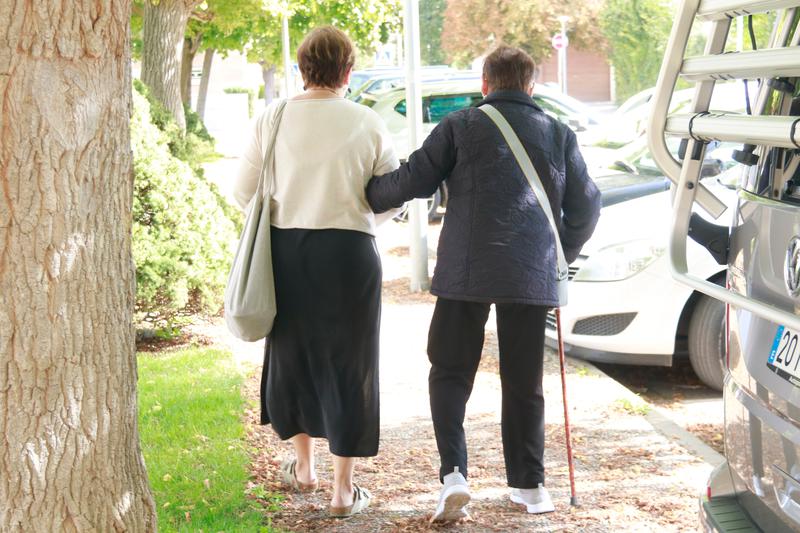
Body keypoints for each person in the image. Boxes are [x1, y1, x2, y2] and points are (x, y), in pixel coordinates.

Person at [366, 45, 601, 521]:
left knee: (450, 371)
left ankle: (454, 474)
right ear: (530, 86)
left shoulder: (460, 125)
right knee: (523, 380)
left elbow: (413, 180)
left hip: (465, 271)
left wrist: (367, 194)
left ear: (485, 84)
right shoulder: (558, 133)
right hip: (530, 270)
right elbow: (587, 205)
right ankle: (530, 486)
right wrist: (561, 252)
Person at [233, 26, 399, 518]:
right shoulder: (367, 121)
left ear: (302, 69)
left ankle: (304, 468)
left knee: (293, 356)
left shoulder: (272, 118)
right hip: (349, 254)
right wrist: (358, 221)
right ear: (348, 71)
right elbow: (389, 197)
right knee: (351, 362)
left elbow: (243, 192)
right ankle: (343, 491)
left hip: (287, 252)